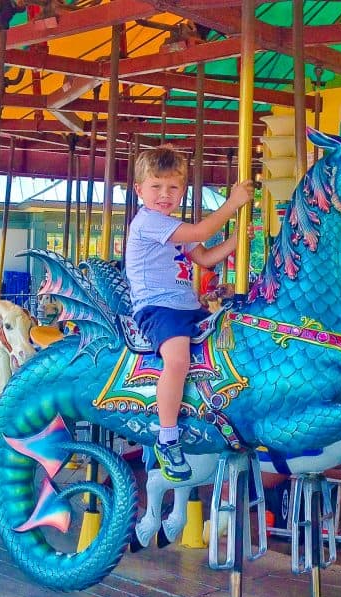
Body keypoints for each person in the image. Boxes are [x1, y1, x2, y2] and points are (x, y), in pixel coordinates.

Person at [125, 146, 254, 482]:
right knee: (178, 360)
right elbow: (199, 234)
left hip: (186, 305)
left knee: (231, 339)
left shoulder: (170, 224)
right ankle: (166, 437)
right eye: (156, 187)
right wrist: (232, 204)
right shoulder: (148, 222)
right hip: (157, 308)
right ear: (139, 190)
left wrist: (237, 242)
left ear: (183, 190)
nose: (165, 195)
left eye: (173, 188)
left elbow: (205, 257)